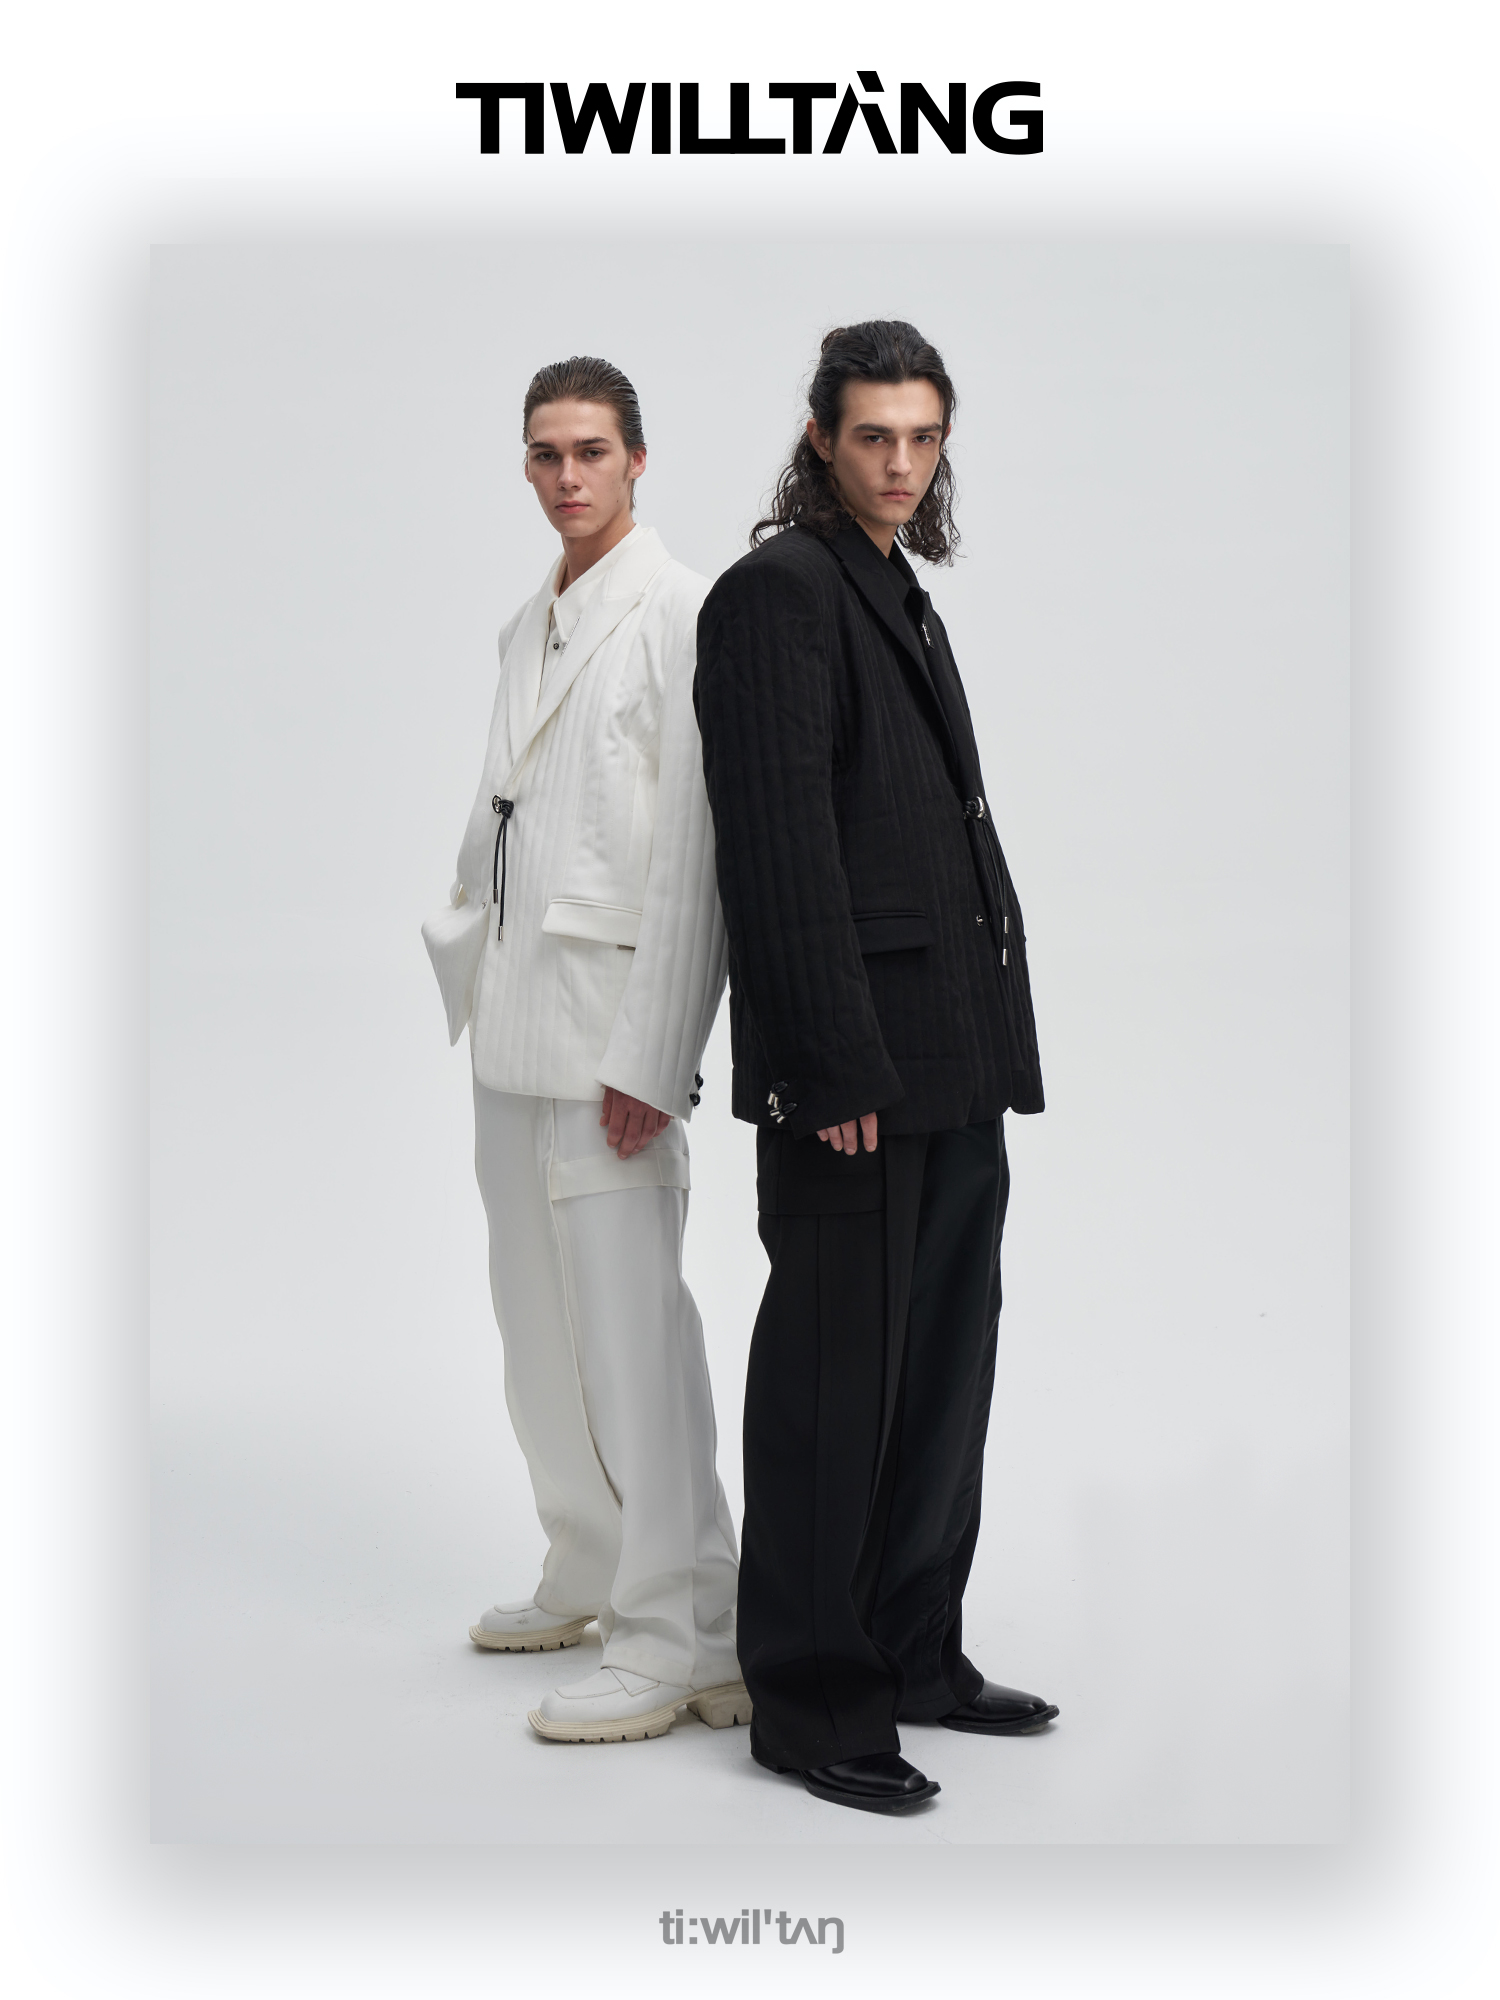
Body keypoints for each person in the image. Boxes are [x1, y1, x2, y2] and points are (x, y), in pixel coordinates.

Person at [693, 320, 1057, 1815]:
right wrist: (830, 1070)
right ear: (819, 440)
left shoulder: (896, 589)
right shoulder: (777, 592)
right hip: (855, 1077)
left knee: (944, 1375)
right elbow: (777, 849)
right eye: (872, 438)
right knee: (832, 1390)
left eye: (923, 438)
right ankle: (812, 1699)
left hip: (954, 1057)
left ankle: (911, 1651)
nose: (901, 465)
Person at [422, 356, 748, 1744]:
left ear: (637, 460)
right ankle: (592, 1563)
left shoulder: (681, 615)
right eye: (546, 454)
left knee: (633, 1344)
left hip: (613, 1037)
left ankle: (687, 1635)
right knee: (535, 1331)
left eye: (592, 452)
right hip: (510, 1016)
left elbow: (697, 856)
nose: (568, 476)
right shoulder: (528, 624)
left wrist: (655, 1056)